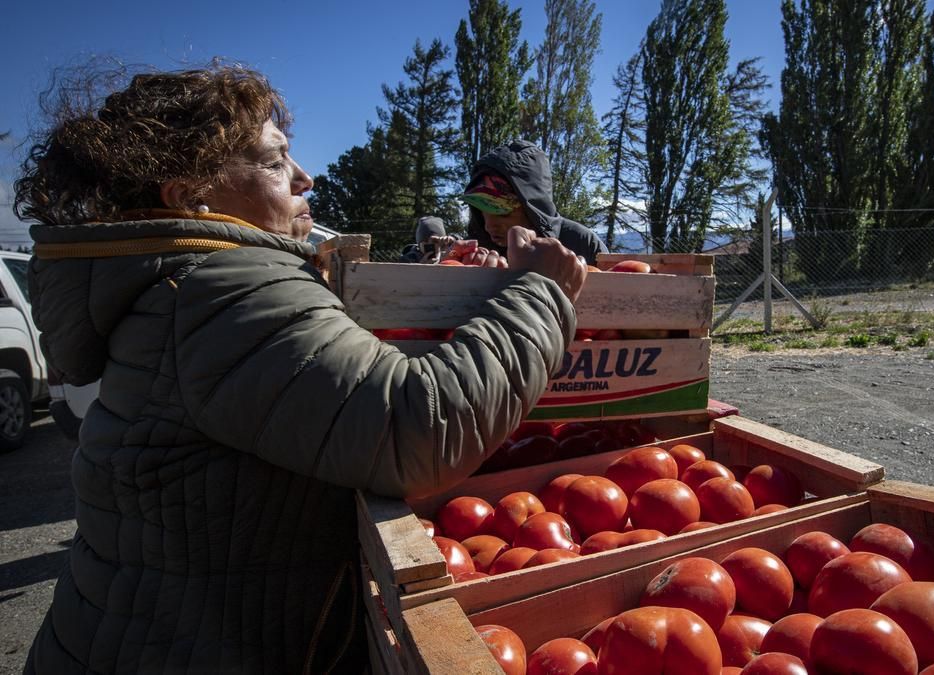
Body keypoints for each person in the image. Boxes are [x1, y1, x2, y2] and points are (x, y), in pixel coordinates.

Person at [15, 64, 585, 674]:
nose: (305, 176)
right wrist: (539, 293)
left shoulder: (189, 286)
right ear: (188, 193)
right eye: (274, 160)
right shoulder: (220, 291)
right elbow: (415, 428)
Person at [462, 140, 608, 265]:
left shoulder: (582, 245)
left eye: (502, 212)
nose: (488, 226)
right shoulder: (475, 252)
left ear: (532, 209)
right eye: (482, 211)